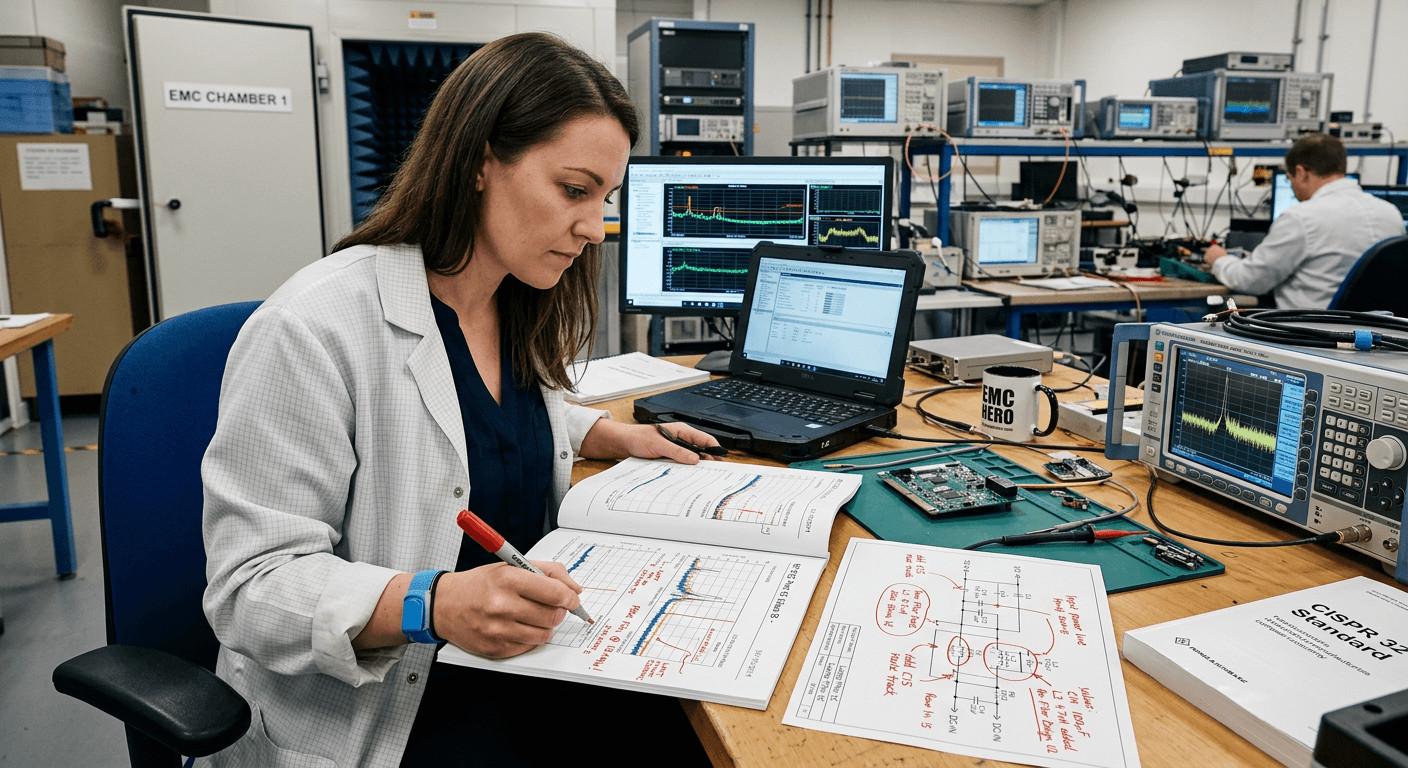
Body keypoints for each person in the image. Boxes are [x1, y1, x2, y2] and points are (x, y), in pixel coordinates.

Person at [200, 33, 720, 767]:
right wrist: (430, 603)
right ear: (480, 161)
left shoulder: (512, 303)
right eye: (574, 190)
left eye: (606, 198)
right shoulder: (311, 328)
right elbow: (250, 590)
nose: (594, 227)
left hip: (518, 661)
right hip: (389, 703)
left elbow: (472, 417)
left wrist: (607, 433)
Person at [1203, 133, 1406, 309]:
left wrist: (1220, 259)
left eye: (1290, 179)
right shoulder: (1391, 213)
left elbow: (1251, 280)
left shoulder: (1301, 218)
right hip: (1375, 339)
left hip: (1309, 337)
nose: (1292, 187)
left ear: (1301, 172)